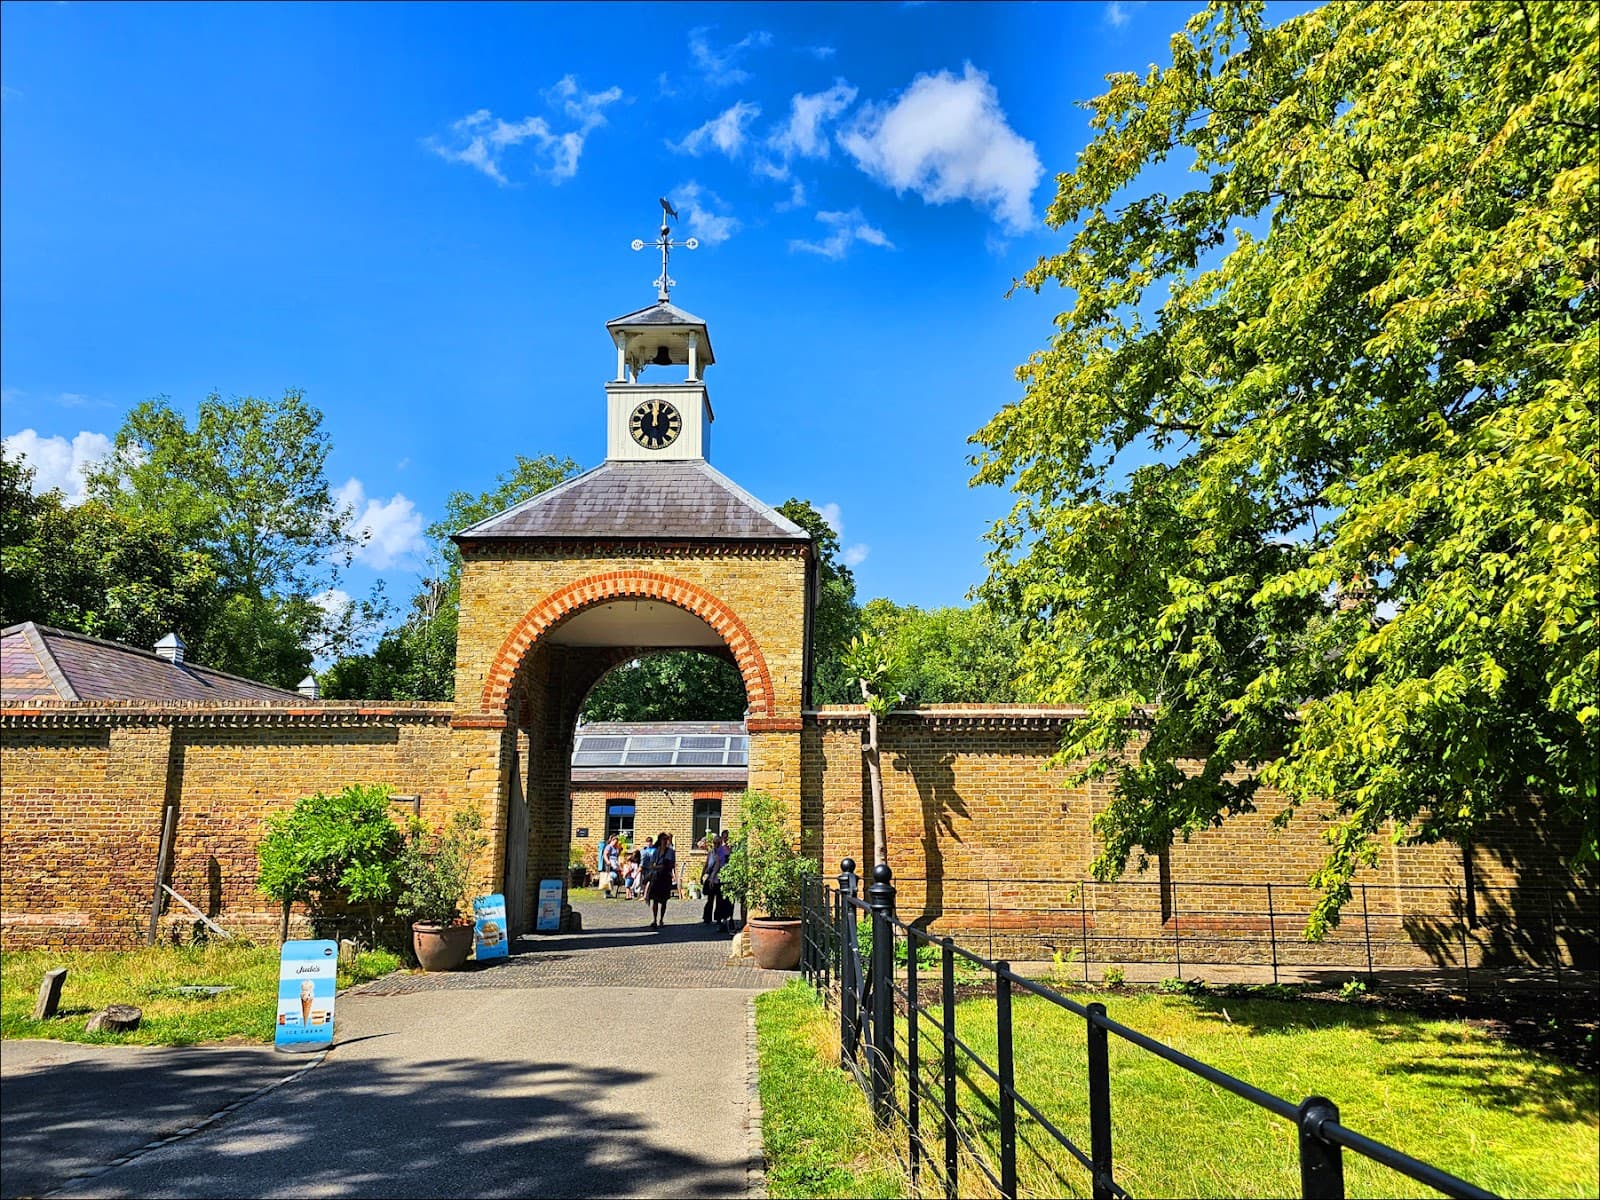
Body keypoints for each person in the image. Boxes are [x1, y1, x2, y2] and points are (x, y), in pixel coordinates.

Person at [645, 832, 676, 929]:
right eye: (663, 839)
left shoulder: (670, 852)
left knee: (664, 901)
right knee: (654, 900)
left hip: (665, 878)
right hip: (656, 878)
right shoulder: (656, 851)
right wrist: (657, 866)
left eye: (665, 839)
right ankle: (654, 919)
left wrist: (658, 866)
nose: (664, 841)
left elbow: (669, 865)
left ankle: (661, 919)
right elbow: (652, 864)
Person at [701, 829, 730, 924]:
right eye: (714, 843)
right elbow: (706, 864)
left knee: (719, 899)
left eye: (718, 843)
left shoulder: (723, 852)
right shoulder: (711, 852)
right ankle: (707, 917)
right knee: (710, 898)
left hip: (719, 877)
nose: (716, 845)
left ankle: (718, 917)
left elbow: (718, 865)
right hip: (711, 877)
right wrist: (702, 875)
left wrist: (713, 877)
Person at [600, 835, 622, 899]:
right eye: (615, 842)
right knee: (610, 877)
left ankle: (608, 892)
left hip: (615, 863)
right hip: (610, 864)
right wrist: (607, 861)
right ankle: (607, 892)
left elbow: (617, 855)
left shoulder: (615, 848)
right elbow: (605, 854)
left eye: (616, 842)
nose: (616, 843)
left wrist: (619, 850)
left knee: (613, 877)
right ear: (612, 841)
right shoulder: (608, 847)